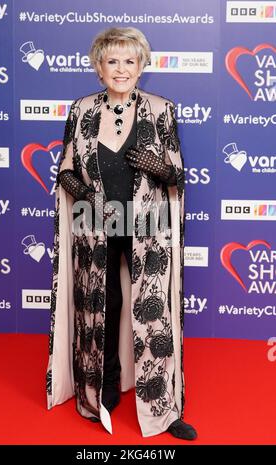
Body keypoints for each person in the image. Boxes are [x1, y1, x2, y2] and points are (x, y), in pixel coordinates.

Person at [46, 26, 197, 441]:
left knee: (154, 314)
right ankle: (103, 391)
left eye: (130, 61)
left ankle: (165, 410)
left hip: (147, 224)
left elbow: (177, 175)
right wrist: (82, 193)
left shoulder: (160, 109)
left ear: (142, 66)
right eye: (113, 61)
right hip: (94, 224)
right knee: (102, 308)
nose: (121, 68)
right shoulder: (81, 110)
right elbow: (64, 169)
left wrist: (159, 167)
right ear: (99, 68)